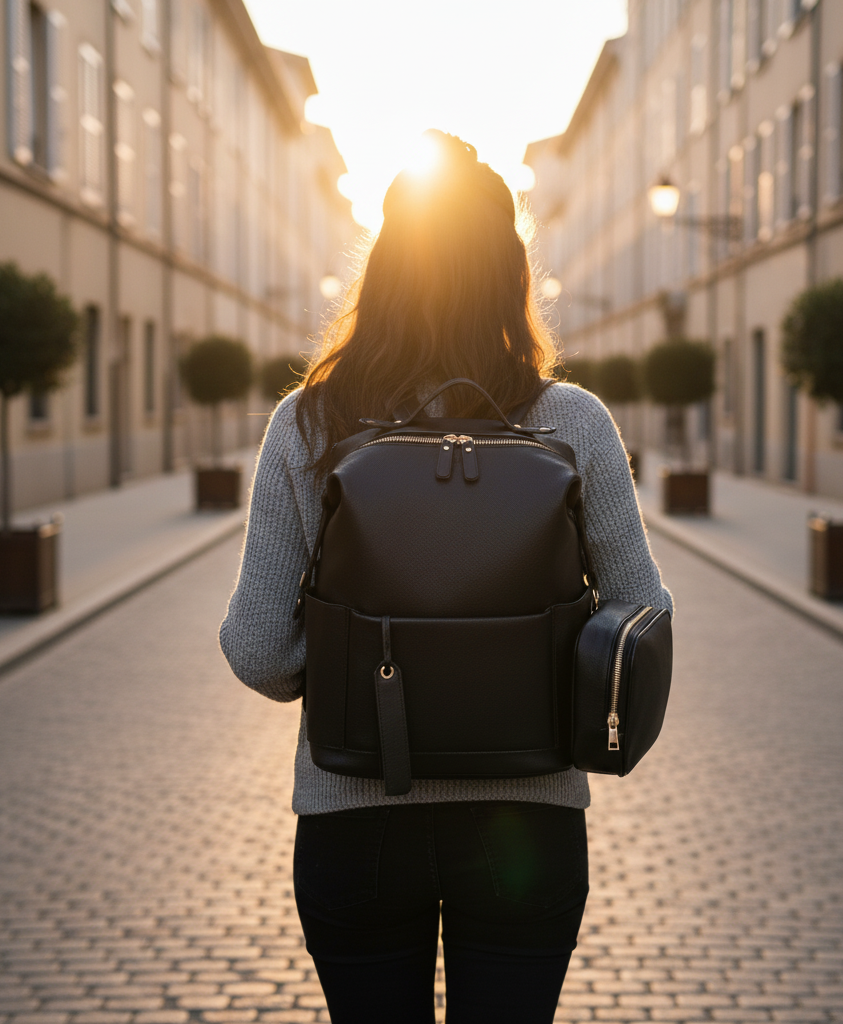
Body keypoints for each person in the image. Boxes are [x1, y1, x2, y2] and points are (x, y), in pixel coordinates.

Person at [219, 130, 672, 1024]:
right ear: (510, 273)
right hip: (528, 820)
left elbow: (259, 651)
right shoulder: (571, 423)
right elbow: (641, 615)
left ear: (382, 271)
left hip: (356, 816)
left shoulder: (309, 425)